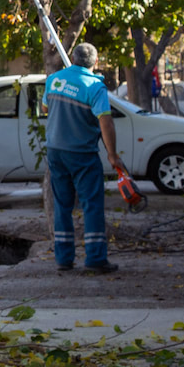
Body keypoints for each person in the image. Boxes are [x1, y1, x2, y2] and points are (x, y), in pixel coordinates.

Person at [45, 42, 123, 274]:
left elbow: (46, 108)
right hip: (82, 153)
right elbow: (105, 121)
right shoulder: (95, 86)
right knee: (91, 204)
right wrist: (112, 155)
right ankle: (96, 258)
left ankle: (63, 258)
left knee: (62, 205)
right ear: (96, 62)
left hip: (55, 151)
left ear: (73, 58)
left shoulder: (54, 80)